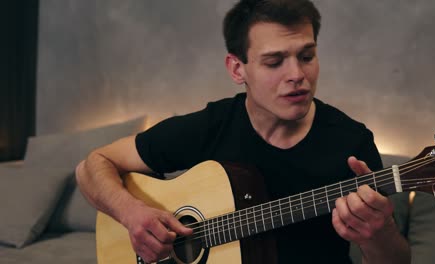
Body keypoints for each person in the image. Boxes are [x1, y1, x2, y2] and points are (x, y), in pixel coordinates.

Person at [76, 0, 410, 263]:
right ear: (238, 69)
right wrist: (131, 213)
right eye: (274, 61)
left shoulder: (351, 143)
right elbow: (92, 165)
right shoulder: (212, 125)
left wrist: (378, 233)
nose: (297, 74)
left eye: (306, 56)